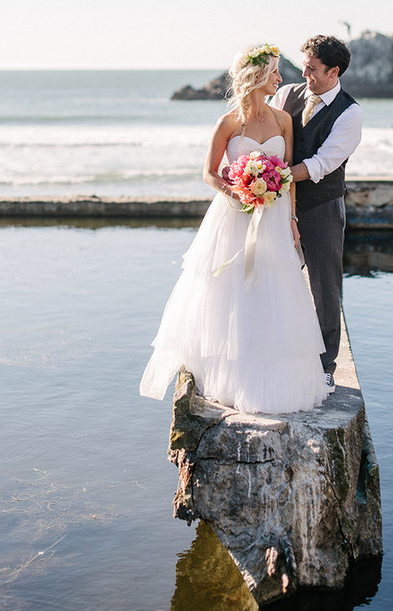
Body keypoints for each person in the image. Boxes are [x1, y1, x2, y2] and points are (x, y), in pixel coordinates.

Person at [139, 43, 329, 414]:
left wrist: (291, 220)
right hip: (233, 215)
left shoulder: (283, 120)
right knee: (232, 290)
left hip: (272, 217)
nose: (280, 78)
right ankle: (231, 373)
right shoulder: (228, 122)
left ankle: (272, 376)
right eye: (274, 72)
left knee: (273, 289)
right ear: (257, 77)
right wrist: (236, 189)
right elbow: (209, 172)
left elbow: (288, 175)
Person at [270, 35, 362, 392]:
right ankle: (279, 352)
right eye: (304, 64)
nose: (304, 72)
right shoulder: (287, 95)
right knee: (276, 277)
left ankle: (325, 364)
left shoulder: (350, 113)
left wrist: (271, 178)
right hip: (280, 205)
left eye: (312, 68)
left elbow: (323, 163)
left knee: (325, 287)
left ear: (333, 71)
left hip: (322, 206)